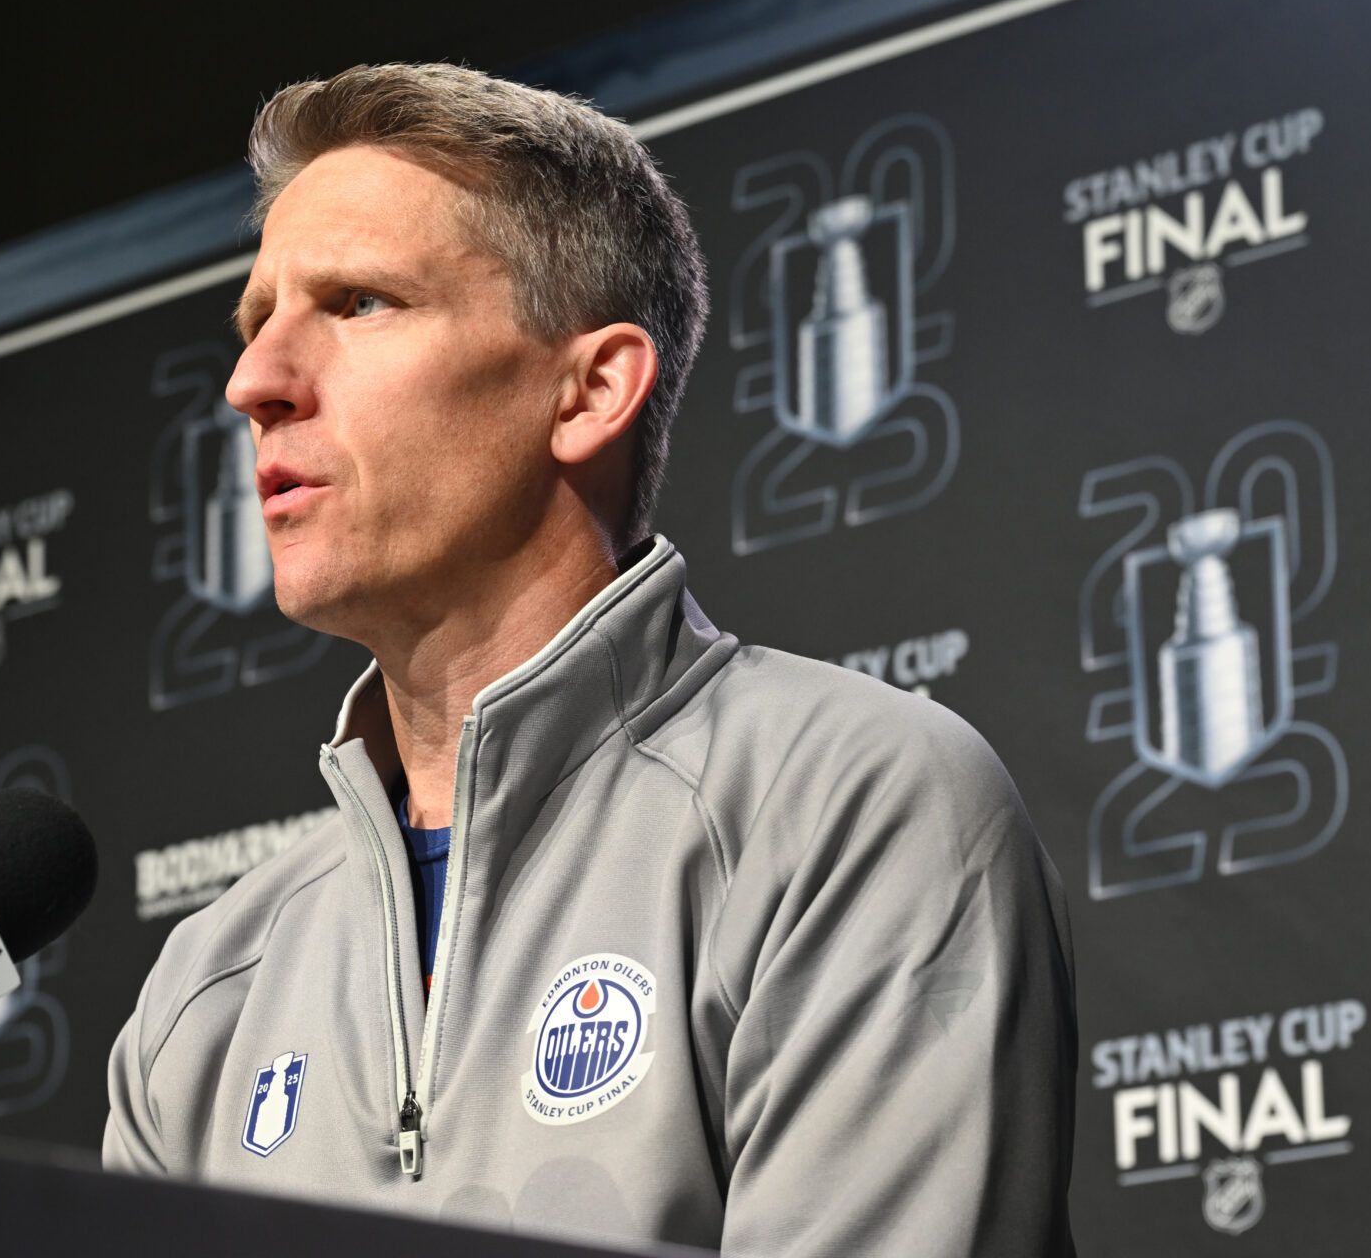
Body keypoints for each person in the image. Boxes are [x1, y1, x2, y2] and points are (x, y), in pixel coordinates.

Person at [104, 62, 1077, 1256]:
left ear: (591, 389)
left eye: (357, 303)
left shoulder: (850, 810)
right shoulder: (209, 985)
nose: (253, 383)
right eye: (258, 323)